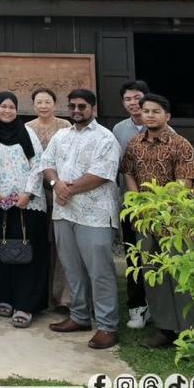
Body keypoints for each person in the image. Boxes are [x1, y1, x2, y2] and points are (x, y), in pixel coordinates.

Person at [41, 89, 123, 350]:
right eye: (72, 106)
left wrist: (67, 189)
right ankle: (79, 316)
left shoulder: (105, 138)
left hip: (94, 214)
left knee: (100, 271)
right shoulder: (61, 136)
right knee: (71, 268)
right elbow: (46, 163)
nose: (76, 110)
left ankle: (107, 326)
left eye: (82, 106)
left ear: (93, 109)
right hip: (64, 212)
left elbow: (102, 174)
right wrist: (55, 184)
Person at [120, 94, 194, 349]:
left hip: (174, 221)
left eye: (156, 111)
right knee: (153, 274)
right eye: (146, 111)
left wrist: (161, 208)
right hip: (144, 220)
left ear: (167, 116)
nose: (150, 115)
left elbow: (184, 183)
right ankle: (165, 328)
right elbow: (129, 172)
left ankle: (190, 330)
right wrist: (137, 203)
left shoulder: (181, 144)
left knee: (180, 274)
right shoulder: (134, 144)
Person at [0, 92, 49, 327]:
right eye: (3, 106)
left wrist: (28, 194)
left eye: (12, 107)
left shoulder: (27, 133)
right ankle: (2, 297)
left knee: (27, 252)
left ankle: (25, 304)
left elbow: (38, 164)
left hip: (27, 204)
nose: (7, 111)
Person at [26, 87, 73, 312]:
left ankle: (63, 298)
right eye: (39, 102)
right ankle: (39, 295)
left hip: (61, 190)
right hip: (35, 193)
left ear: (55, 104)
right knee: (39, 243)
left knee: (62, 244)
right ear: (33, 105)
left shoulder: (65, 126)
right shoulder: (27, 128)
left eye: (47, 102)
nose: (43, 106)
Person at [112, 79, 150, 330]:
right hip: (129, 202)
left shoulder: (164, 127)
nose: (133, 103)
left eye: (137, 98)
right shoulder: (119, 129)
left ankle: (159, 304)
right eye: (127, 99)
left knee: (156, 255)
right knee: (133, 254)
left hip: (157, 204)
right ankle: (137, 306)